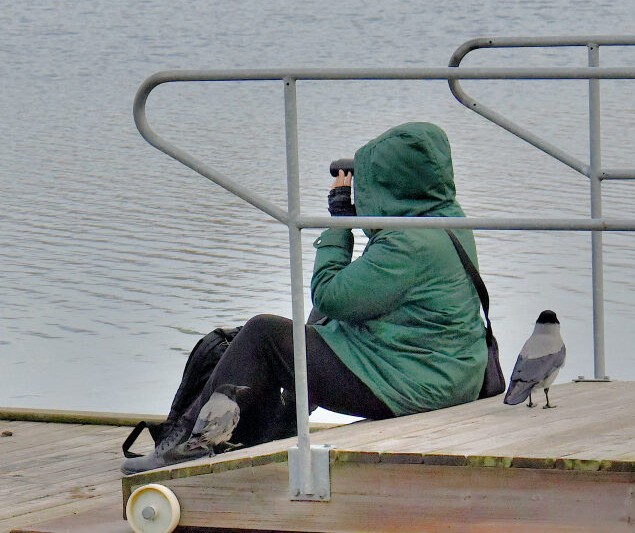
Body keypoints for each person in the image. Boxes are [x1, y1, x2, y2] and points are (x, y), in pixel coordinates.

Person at [123, 121, 488, 475]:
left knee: (263, 333)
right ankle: (273, 430)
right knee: (319, 324)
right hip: (447, 372)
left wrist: (339, 222)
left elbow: (330, 292)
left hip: (416, 386)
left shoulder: (410, 242)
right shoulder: (446, 220)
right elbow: (357, 298)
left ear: (392, 184)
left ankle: (183, 445)